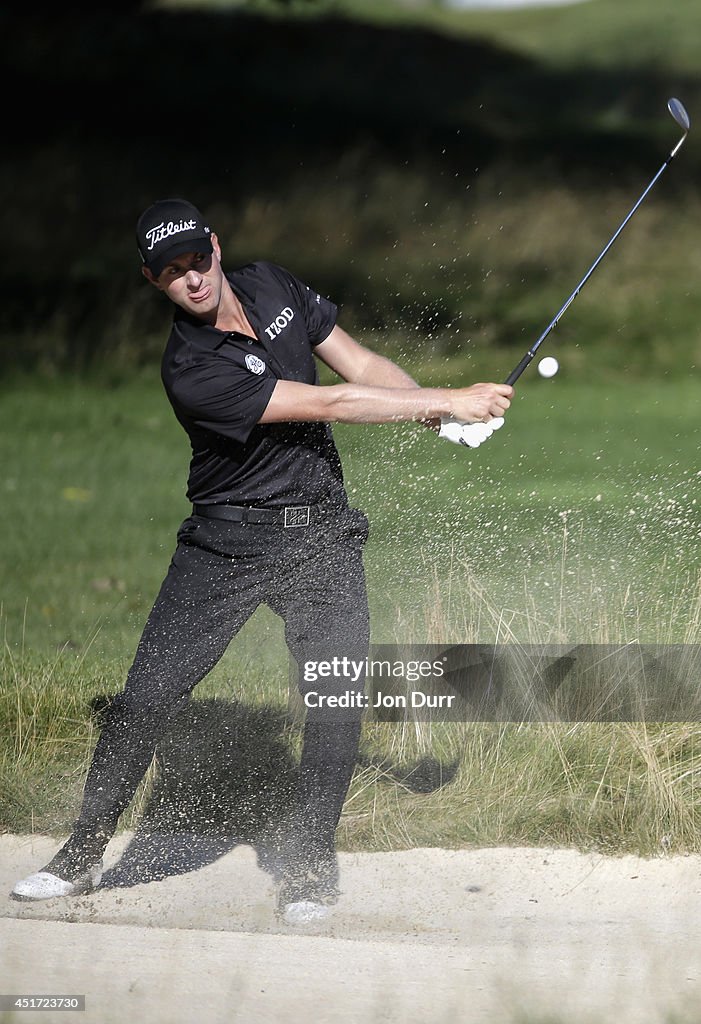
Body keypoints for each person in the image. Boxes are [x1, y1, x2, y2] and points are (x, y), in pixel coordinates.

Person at [11, 199, 513, 923]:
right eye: (172, 272)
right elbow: (331, 402)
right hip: (226, 545)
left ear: (215, 245)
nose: (192, 279)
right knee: (147, 698)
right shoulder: (191, 369)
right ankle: (82, 853)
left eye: (197, 259)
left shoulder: (273, 285)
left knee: (334, 702)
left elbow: (359, 363)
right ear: (154, 282)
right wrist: (448, 399)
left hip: (321, 539)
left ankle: (308, 869)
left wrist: (438, 417)